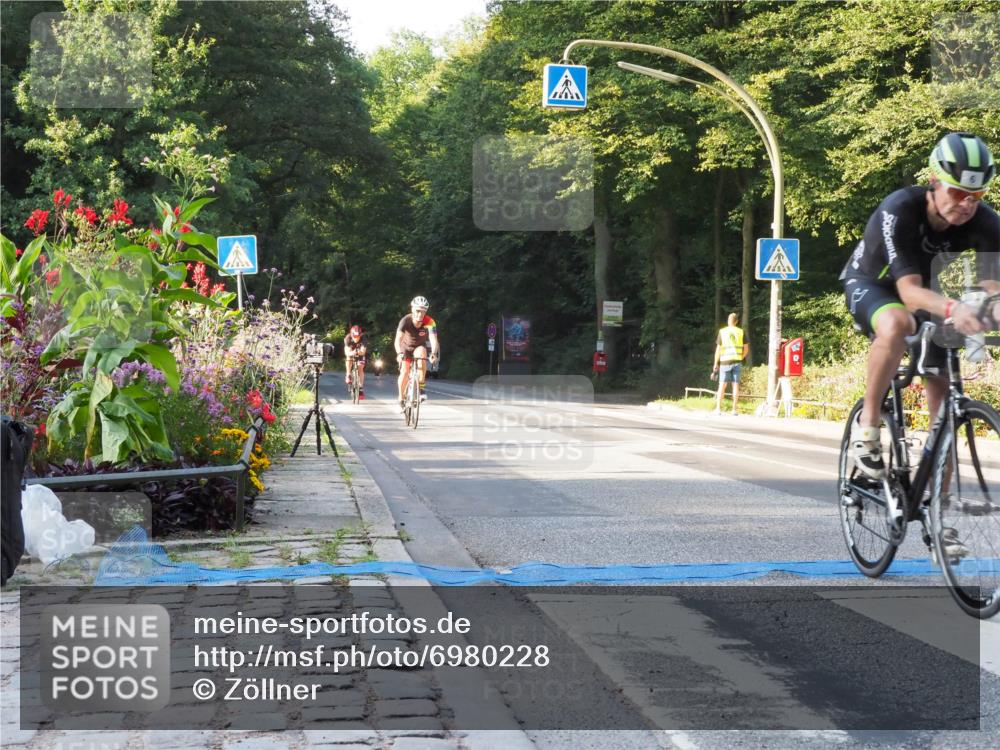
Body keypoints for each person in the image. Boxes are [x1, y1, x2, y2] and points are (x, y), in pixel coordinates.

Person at [842, 132, 999, 487]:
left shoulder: (985, 222)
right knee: (897, 321)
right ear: (933, 182)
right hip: (873, 284)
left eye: (977, 195)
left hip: (929, 293)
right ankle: (867, 427)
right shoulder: (900, 208)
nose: (967, 204)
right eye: (958, 192)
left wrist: (989, 307)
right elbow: (908, 293)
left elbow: (994, 286)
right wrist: (955, 307)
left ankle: (939, 514)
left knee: (943, 404)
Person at [395, 296, 440, 411]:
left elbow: (433, 339)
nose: (420, 314)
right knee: (404, 373)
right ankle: (401, 398)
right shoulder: (405, 320)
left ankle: (421, 386)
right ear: (412, 309)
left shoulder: (430, 322)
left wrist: (434, 353)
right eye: (417, 311)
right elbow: (397, 340)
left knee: (423, 352)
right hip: (405, 348)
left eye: (423, 311)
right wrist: (399, 353)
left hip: (419, 347)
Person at [712, 312, 749, 415]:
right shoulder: (741, 332)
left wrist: (716, 363)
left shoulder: (722, 332)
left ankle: (718, 409)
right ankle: (734, 410)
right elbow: (746, 349)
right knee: (735, 385)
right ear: (736, 322)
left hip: (725, 362)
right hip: (737, 361)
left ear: (728, 321)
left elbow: (718, 349)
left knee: (722, 385)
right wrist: (740, 357)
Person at [343, 325, 369, 400]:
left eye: (358, 337)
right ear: (351, 335)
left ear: (360, 335)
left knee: (360, 367)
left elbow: (363, 352)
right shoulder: (347, 338)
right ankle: (348, 374)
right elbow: (347, 352)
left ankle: (360, 388)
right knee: (349, 358)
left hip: (360, 353)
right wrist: (353, 353)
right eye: (354, 337)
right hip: (351, 352)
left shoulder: (364, 338)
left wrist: (358, 352)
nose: (356, 338)